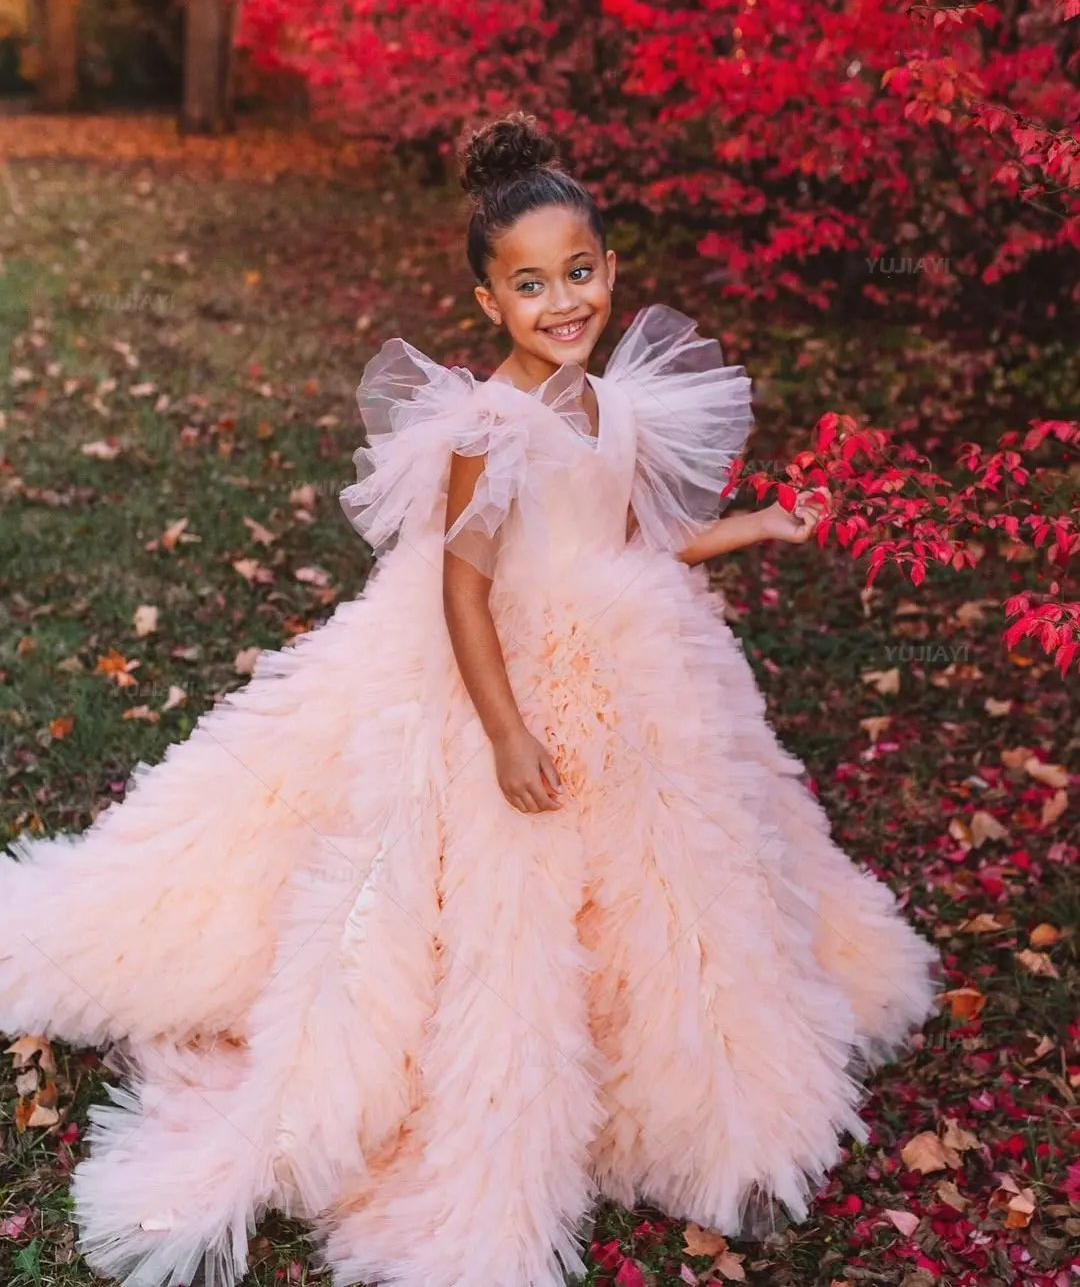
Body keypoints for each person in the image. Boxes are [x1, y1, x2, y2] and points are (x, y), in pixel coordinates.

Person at [0, 111, 944, 1287]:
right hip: (500, 684)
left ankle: (691, 1092)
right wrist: (504, 729)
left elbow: (634, 534)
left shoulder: (617, 404)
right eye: (533, 285)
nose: (565, 303)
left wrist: (751, 524)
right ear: (490, 302)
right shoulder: (487, 430)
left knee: (670, 882)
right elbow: (463, 595)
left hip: (633, 676)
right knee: (505, 901)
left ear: (612, 269)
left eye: (582, 272)